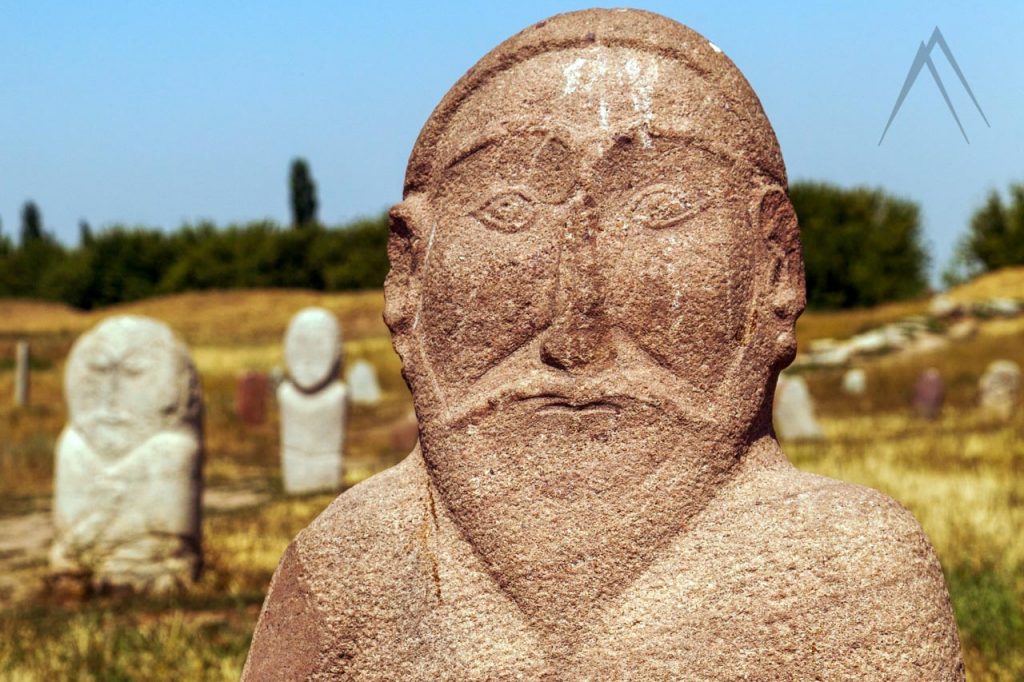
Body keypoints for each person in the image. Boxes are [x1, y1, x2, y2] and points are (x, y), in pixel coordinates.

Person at [244, 9, 963, 679]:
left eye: (661, 209)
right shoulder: (343, 572)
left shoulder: (852, 579)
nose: (577, 329)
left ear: (777, 266)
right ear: (407, 275)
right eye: (510, 209)